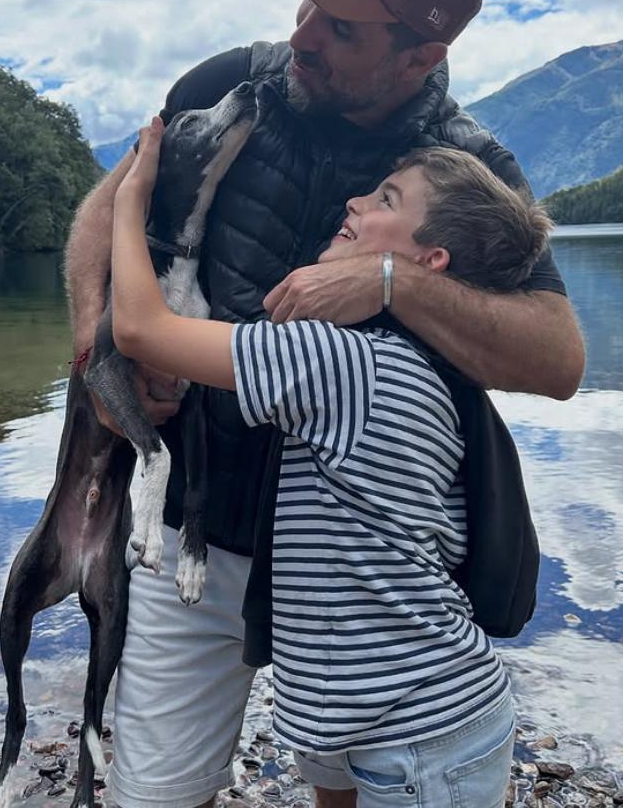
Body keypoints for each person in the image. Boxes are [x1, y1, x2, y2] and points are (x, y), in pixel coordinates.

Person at [65, 0, 585, 808]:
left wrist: (395, 285)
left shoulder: (467, 172)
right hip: (200, 528)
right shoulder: (237, 83)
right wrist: (94, 347)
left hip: (362, 575)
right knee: (152, 794)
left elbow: (561, 357)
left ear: (420, 58)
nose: (303, 35)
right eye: (306, 2)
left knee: (348, 778)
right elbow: (111, 205)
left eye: (341, 28)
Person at [108, 122, 553, 808]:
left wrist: (129, 202)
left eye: (385, 200)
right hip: (424, 723)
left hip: (421, 743)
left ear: (428, 262)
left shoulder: (339, 362)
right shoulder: (429, 366)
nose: (354, 202)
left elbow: (141, 328)